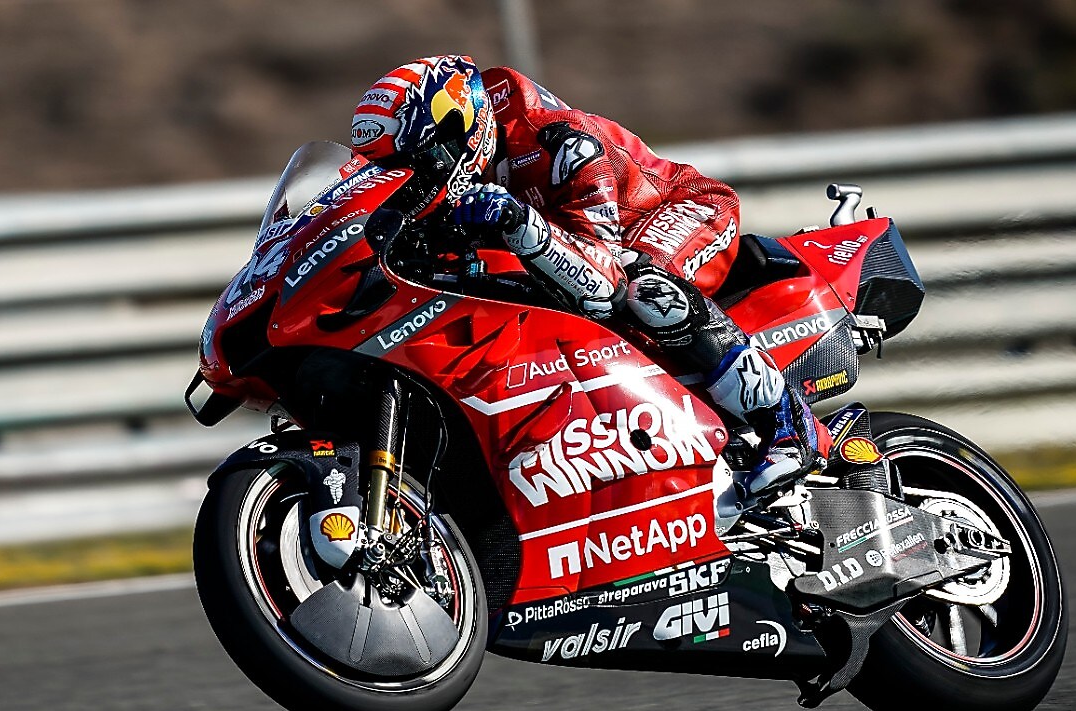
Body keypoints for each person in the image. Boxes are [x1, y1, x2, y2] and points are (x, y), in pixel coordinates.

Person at [350, 54, 828, 496]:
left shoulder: (559, 142)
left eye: (415, 162)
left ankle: (787, 421)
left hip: (679, 210)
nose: (408, 180)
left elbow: (604, 281)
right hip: (585, 245)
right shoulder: (455, 182)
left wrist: (518, 222)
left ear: (460, 129)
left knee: (645, 289)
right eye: (389, 169)